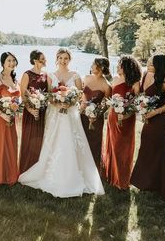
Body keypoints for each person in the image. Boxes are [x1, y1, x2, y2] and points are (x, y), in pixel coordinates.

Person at [18, 48, 105, 197]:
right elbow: (50, 95)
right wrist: (58, 104)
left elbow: (78, 95)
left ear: (69, 60)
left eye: (66, 58)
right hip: (55, 113)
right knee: (54, 141)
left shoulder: (76, 75)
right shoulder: (51, 75)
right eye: (61, 58)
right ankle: (51, 174)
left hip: (71, 114)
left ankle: (73, 176)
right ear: (57, 59)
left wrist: (69, 103)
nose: (63, 61)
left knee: (70, 141)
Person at [130, 53, 165, 199]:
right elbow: (141, 95)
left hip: (161, 122)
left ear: (159, 66)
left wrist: (155, 112)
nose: (148, 66)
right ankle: (147, 183)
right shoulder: (145, 75)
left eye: (151, 64)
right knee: (146, 150)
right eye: (148, 63)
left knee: (159, 152)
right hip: (149, 120)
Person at [102, 55, 141, 189]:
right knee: (113, 145)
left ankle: (123, 180)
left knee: (123, 148)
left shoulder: (135, 83)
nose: (117, 67)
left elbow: (137, 104)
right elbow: (110, 99)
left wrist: (126, 115)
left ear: (127, 67)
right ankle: (112, 176)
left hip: (128, 119)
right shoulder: (115, 80)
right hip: (113, 117)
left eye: (120, 65)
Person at [0, 52, 20, 185]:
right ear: (3, 63)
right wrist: (3, 115)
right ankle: (0, 176)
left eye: (13, 60)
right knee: (1, 146)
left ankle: (11, 173)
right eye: (8, 61)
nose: (11, 63)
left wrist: (16, 108)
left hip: (13, 118)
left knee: (12, 145)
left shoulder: (14, 79)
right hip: (1, 119)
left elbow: (18, 98)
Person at [19, 50, 50, 173]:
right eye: (43, 58)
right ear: (36, 60)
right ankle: (26, 168)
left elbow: (47, 94)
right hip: (30, 112)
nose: (45, 60)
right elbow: (23, 94)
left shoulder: (46, 75)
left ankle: (38, 169)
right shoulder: (27, 74)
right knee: (29, 138)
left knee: (41, 138)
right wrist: (30, 109)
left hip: (42, 112)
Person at [80, 57, 112, 171]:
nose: (92, 66)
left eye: (94, 64)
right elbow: (82, 96)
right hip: (82, 115)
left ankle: (93, 169)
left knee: (94, 143)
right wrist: (81, 107)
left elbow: (107, 104)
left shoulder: (107, 85)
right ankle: (80, 167)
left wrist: (96, 114)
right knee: (81, 140)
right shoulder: (87, 78)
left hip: (95, 119)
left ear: (101, 67)